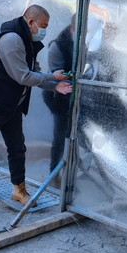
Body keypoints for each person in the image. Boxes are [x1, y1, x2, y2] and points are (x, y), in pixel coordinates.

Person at [0, 5, 72, 208]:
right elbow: (23, 77)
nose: (45, 30)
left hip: (11, 104)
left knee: (17, 148)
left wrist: (54, 86)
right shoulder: (12, 40)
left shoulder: (29, 40)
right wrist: (53, 76)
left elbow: (35, 73)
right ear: (31, 22)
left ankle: (19, 189)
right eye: (43, 25)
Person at [42, 17, 75, 173]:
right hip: (60, 98)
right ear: (72, 27)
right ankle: (54, 173)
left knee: (80, 136)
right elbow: (57, 75)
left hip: (80, 98)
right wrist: (75, 78)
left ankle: (75, 169)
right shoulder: (58, 45)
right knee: (60, 137)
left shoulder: (88, 44)